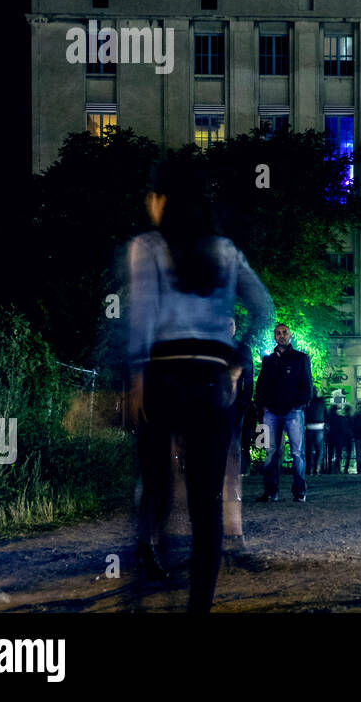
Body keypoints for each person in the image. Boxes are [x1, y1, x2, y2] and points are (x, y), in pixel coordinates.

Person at [126, 156, 274, 612]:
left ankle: (150, 563)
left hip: (163, 377)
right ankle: (197, 609)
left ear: (163, 200)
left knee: (156, 487)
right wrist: (236, 361)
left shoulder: (146, 248)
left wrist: (134, 381)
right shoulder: (225, 251)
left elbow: (141, 319)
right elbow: (265, 309)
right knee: (207, 507)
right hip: (212, 382)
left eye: (152, 197)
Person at [255, 324, 314, 503]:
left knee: (297, 453)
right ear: (274, 336)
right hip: (271, 413)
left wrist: (299, 405)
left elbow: (307, 385)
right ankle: (271, 492)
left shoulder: (301, 358)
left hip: (293, 412)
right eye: (278, 333)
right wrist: (262, 405)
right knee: (270, 452)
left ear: (290, 335)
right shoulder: (268, 360)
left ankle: (299, 492)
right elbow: (261, 385)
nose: (281, 336)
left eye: (284, 333)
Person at [223, 317, 255, 552]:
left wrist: (243, 405)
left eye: (231, 324)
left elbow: (248, 380)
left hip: (235, 408)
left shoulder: (243, 349)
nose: (228, 327)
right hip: (213, 406)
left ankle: (231, 489)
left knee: (232, 450)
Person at [305, 391, 327, 475]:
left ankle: (309, 468)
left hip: (309, 426)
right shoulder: (321, 401)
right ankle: (317, 468)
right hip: (319, 426)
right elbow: (325, 413)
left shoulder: (307, 401)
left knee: (309, 449)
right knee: (319, 449)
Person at [327, 401, 352, 474]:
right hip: (339, 438)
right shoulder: (341, 418)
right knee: (338, 454)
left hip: (331, 437)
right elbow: (342, 429)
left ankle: (329, 469)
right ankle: (338, 468)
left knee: (330, 454)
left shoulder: (329, 418)